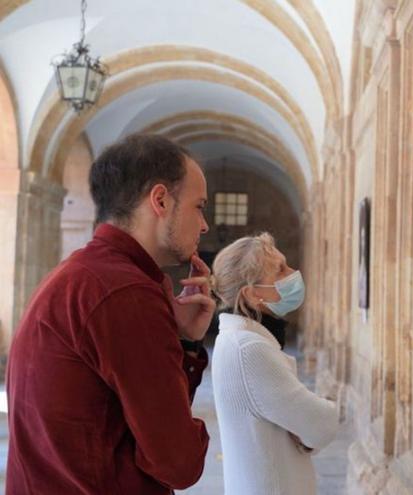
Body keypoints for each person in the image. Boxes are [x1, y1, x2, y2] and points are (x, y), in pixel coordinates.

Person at [5, 134, 216, 493]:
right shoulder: (126, 293)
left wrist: (183, 341)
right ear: (161, 200)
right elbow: (179, 462)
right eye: (199, 206)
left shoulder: (78, 273)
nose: (205, 225)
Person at [210, 232, 339, 495]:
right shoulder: (250, 350)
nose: (292, 273)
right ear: (251, 294)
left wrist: (303, 431)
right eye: (279, 270)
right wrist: (315, 421)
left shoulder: (237, 340)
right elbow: (322, 424)